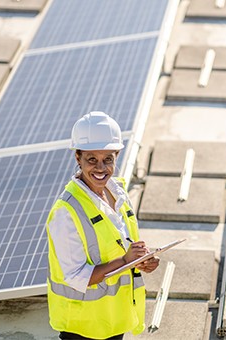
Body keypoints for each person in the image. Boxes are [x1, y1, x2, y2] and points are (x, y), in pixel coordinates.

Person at [46, 111, 159, 339]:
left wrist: (141, 260)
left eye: (108, 159)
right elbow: (78, 277)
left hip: (114, 320)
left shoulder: (118, 193)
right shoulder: (66, 212)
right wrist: (126, 261)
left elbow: (121, 244)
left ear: (117, 156)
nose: (101, 168)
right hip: (83, 327)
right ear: (77, 158)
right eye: (91, 159)